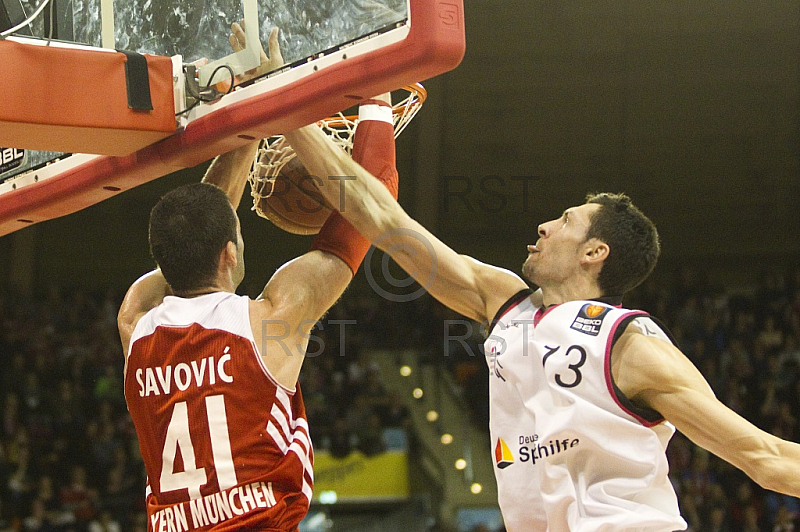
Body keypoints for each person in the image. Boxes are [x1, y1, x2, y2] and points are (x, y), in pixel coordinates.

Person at [283, 122, 800, 531]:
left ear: (595, 253)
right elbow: (385, 222)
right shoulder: (501, 301)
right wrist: (295, 119)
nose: (545, 226)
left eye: (567, 221)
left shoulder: (631, 348)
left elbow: (765, 457)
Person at [116, 24, 400, 531]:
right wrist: (279, 102)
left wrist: (258, 117)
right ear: (230, 252)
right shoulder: (271, 322)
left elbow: (196, 226)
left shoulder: (136, 325)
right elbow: (372, 202)